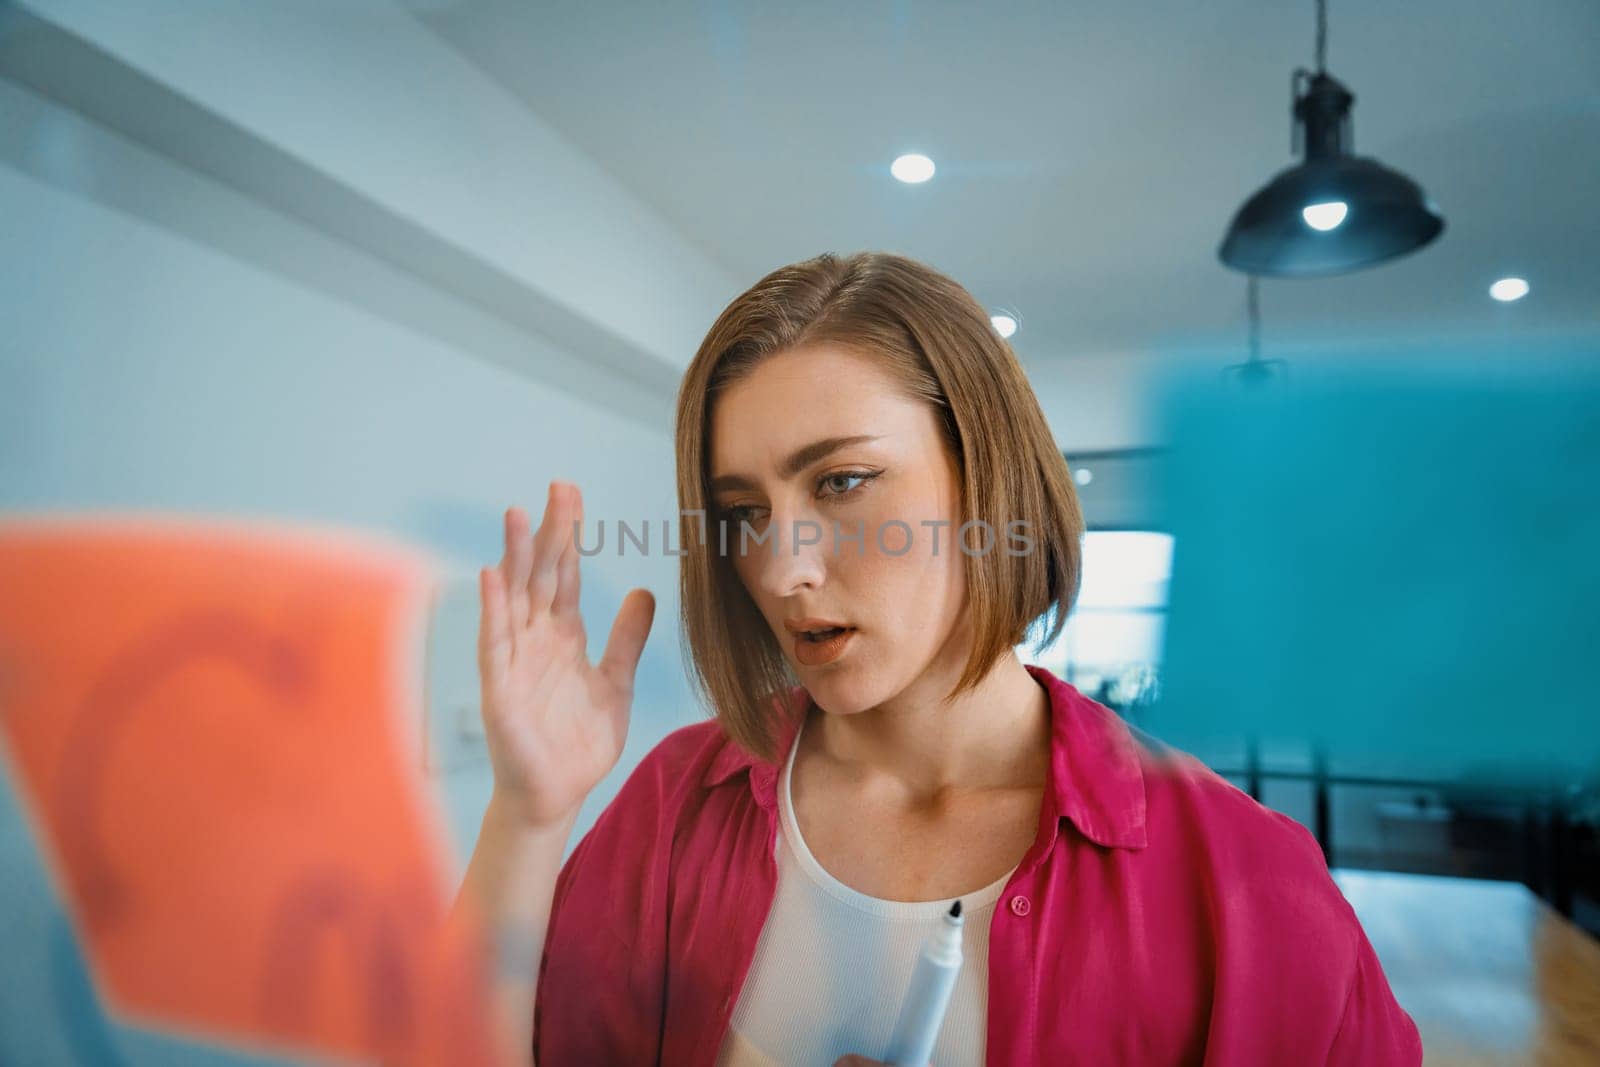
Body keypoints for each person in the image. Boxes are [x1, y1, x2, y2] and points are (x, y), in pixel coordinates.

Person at [452, 252, 1423, 1066]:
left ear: (984, 473)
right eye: (745, 512)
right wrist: (526, 812)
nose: (783, 567)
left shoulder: (1247, 885)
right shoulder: (674, 807)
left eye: (841, 481)